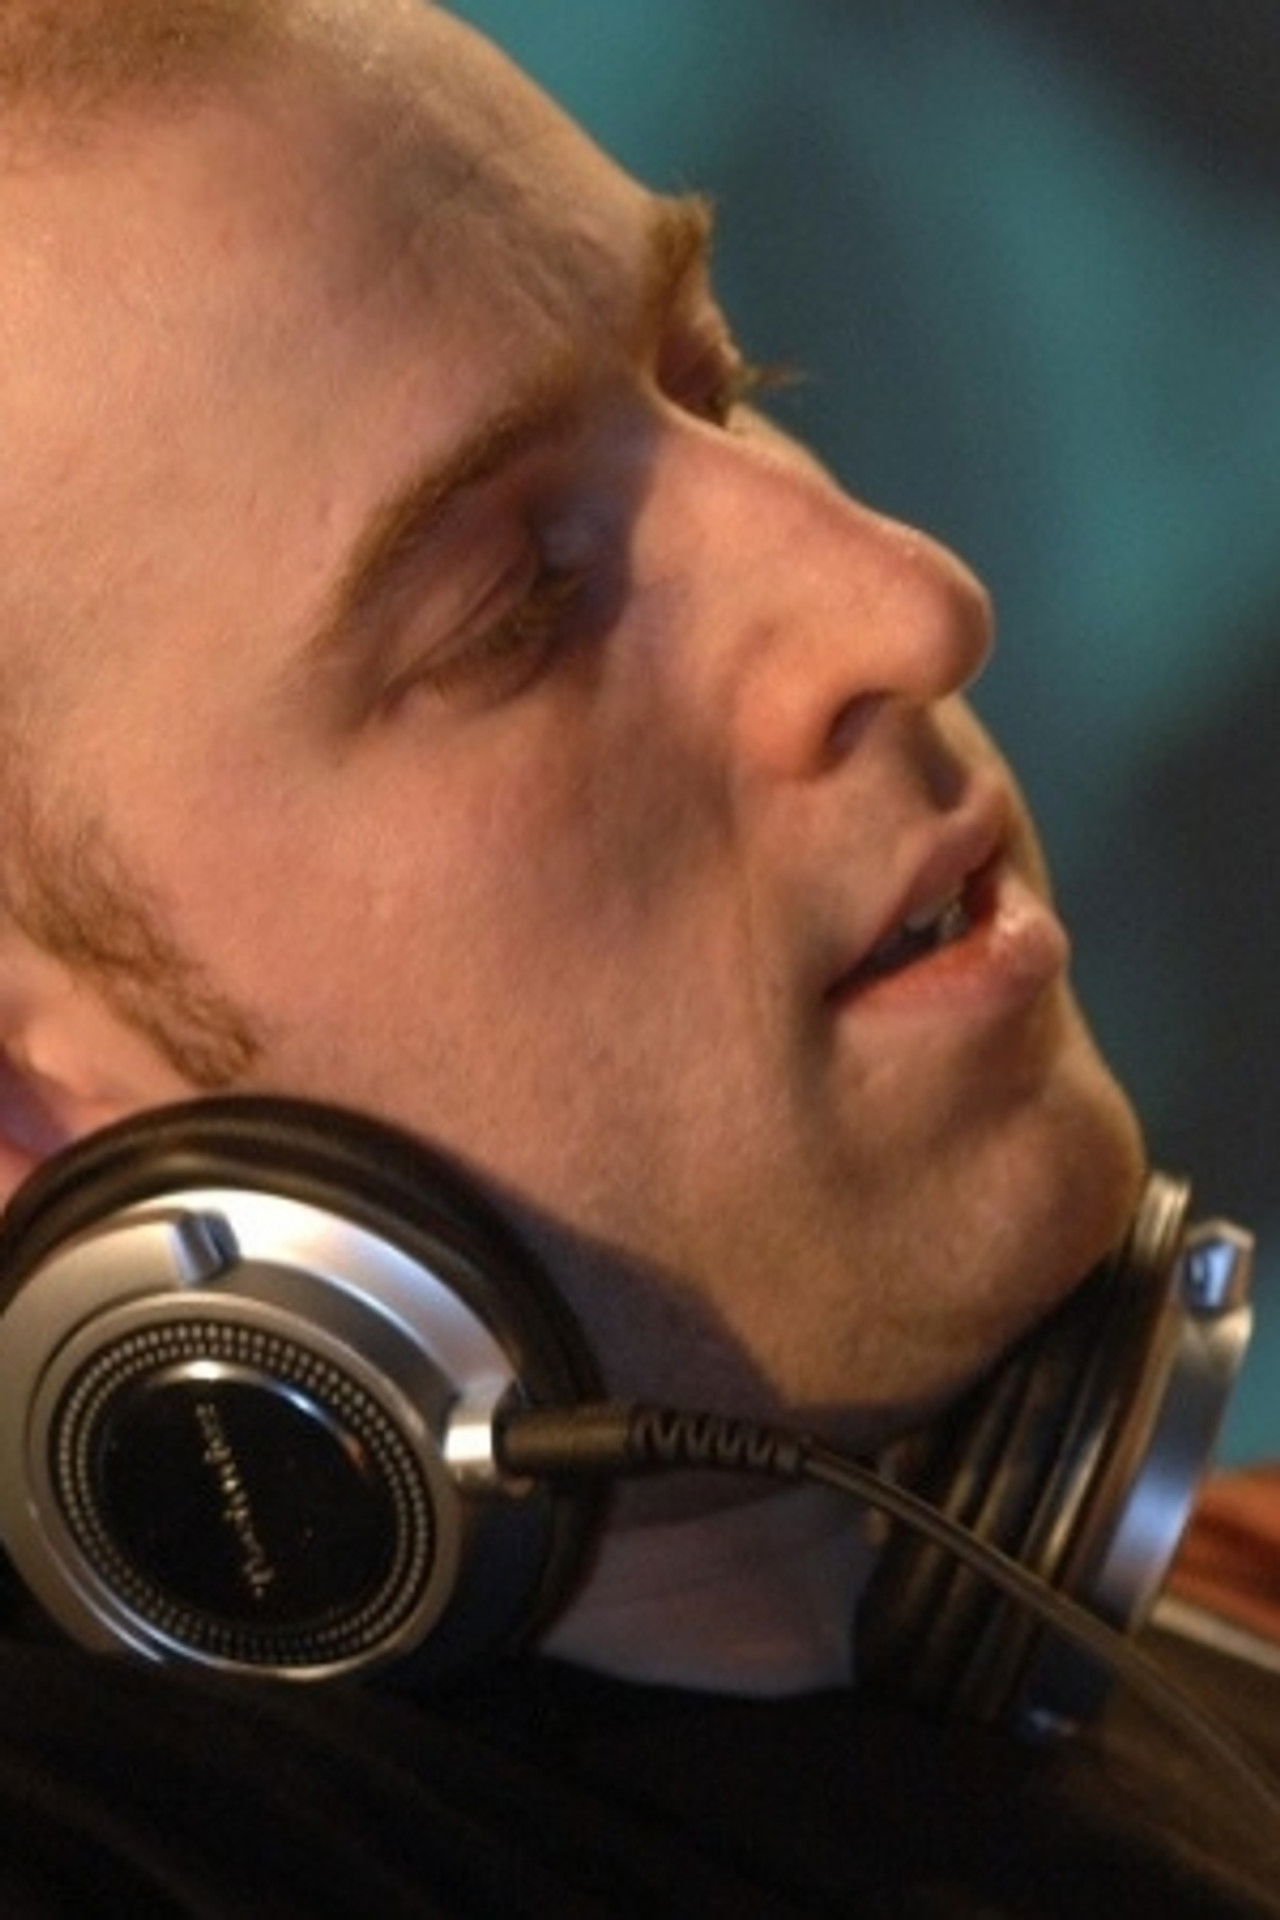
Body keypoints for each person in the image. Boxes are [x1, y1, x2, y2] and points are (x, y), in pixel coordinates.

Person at [0, 1, 1274, 1911]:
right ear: (25, 1106)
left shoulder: (1226, 1597)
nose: (908, 602)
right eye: (519, 605)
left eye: (718, 378)